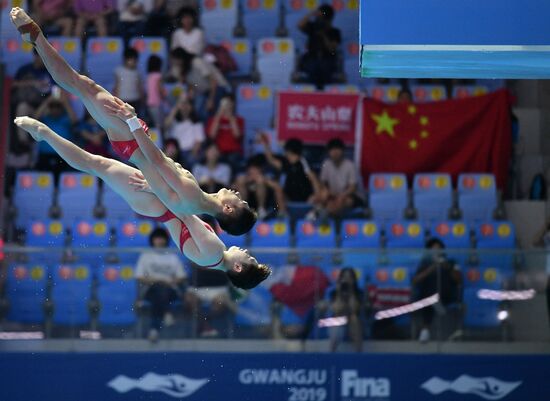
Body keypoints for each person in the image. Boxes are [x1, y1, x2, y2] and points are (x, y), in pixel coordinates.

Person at [10, 7, 256, 235]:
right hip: (133, 144)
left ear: (229, 210)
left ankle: (36, 38)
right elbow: (166, 191)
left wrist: (132, 121)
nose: (237, 194)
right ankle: (36, 42)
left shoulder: (194, 196)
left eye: (240, 201)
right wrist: (152, 184)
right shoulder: (195, 201)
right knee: (83, 89)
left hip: (133, 139)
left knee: (81, 85)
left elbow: (157, 160)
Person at [14, 116, 271, 290]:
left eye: (248, 258)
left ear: (237, 267)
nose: (246, 252)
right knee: (97, 165)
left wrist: (156, 186)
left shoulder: (215, 251)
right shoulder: (212, 257)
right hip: (155, 205)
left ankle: (45, 134)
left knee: (97, 164)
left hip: (156, 201)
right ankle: (48, 134)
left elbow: (184, 212)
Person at [136, 227, 187, 342]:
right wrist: (154, 280)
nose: (159, 241)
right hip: (151, 289)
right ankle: (167, 313)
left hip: (171, 290)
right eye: (157, 238)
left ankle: (154, 330)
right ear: (152, 240)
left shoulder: (172, 256)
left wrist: (170, 282)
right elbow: (139, 276)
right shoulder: (146, 256)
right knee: (158, 292)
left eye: (162, 238)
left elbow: (182, 276)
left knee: (161, 294)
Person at [412, 238, 462, 343]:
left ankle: (425, 330)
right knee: (428, 298)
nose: (436, 252)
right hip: (428, 295)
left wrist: (446, 267)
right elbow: (416, 280)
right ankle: (427, 328)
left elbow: (458, 280)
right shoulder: (424, 264)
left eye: (438, 249)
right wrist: (431, 268)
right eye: (433, 249)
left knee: (429, 300)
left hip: (446, 295)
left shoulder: (451, 263)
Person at [260, 135, 321, 204]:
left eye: (286, 150)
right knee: (278, 190)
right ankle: (283, 213)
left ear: (290, 151)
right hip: (288, 198)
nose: (285, 152)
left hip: (306, 199)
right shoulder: (286, 163)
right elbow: (271, 160)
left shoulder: (304, 162)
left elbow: (314, 181)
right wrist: (266, 144)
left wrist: (315, 195)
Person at [297, 4, 341, 89]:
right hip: (311, 59)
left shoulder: (335, 32)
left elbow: (332, 48)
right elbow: (300, 25)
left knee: (323, 69)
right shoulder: (313, 27)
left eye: (323, 17)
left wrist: (324, 36)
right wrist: (312, 13)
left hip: (327, 60)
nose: (321, 20)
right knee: (312, 68)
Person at [316, 138, 362, 218]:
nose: (335, 152)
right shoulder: (326, 164)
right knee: (318, 197)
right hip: (334, 195)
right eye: (332, 150)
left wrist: (342, 196)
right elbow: (323, 183)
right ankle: (321, 215)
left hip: (351, 196)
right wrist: (326, 191)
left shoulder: (350, 165)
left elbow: (353, 188)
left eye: (338, 149)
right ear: (329, 152)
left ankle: (325, 216)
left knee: (342, 201)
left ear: (343, 151)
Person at [34, 93, 78, 176]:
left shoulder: (66, 119)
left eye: (57, 106)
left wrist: (65, 102)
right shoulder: (45, 119)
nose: (55, 109)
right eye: (52, 106)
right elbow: (35, 117)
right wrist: (47, 101)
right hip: (44, 155)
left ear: (61, 107)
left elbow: (74, 120)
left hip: (63, 155)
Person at [234, 155, 287, 220]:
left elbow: (278, 187)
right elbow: (231, 187)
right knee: (240, 185)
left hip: (265, 203)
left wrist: (265, 181)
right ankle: (242, 210)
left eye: (255, 170)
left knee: (260, 182)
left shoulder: (265, 177)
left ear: (260, 170)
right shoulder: (243, 178)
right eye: (251, 171)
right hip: (248, 203)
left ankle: (262, 210)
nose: (253, 173)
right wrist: (246, 181)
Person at [325, 268, 364, 352]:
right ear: (340, 279)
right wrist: (339, 292)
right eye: (344, 277)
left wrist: (351, 291)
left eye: (350, 278)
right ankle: (331, 354)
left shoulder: (359, 293)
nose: (347, 280)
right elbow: (336, 309)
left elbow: (354, 309)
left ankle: (359, 353)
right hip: (339, 320)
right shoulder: (334, 293)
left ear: (354, 280)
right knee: (337, 320)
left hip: (353, 322)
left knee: (354, 318)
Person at [164, 95, 205, 168]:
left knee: (191, 160)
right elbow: (166, 125)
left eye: (187, 104)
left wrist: (192, 154)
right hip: (175, 152)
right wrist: (176, 108)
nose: (184, 106)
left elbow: (199, 142)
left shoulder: (196, 123)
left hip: (189, 152)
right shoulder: (174, 121)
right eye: (182, 104)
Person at [206, 94, 244, 170]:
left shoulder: (239, 120)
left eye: (228, 103)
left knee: (233, 160)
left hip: (233, 151)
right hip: (218, 151)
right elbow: (212, 135)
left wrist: (230, 116)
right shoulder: (213, 119)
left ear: (233, 104)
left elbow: (237, 135)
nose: (226, 105)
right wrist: (219, 114)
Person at [113, 47, 144, 115]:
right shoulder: (119, 70)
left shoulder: (137, 72)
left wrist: (142, 98)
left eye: (135, 61)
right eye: (132, 60)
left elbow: (139, 86)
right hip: (123, 100)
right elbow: (117, 86)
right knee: (124, 120)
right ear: (125, 60)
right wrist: (115, 99)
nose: (134, 63)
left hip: (135, 99)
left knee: (135, 120)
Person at [145, 55, 165, 130]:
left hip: (149, 103)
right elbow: (160, 90)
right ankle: (161, 139)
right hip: (157, 103)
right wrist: (164, 96)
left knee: (155, 124)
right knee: (159, 125)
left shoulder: (148, 76)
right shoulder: (158, 76)